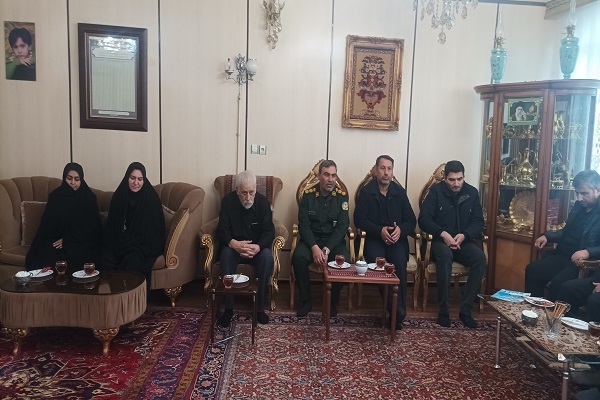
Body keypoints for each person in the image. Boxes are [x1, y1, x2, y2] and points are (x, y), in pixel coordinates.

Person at [418, 160, 486, 328]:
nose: (456, 183)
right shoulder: (435, 191)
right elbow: (424, 220)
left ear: (464, 177)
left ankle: (466, 310)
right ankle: (443, 311)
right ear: (445, 179)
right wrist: (443, 234)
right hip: (439, 241)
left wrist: (464, 235)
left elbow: (478, 222)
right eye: (452, 180)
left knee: (479, 258)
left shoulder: (472, 193)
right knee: (445, 255)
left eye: (459, 179)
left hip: (463, 241)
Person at [354, 155, 416, 329]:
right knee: (380, 265)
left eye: (389, 168)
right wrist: (379, 230)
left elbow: (411, 220)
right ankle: (395, 310)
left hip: (396, 240)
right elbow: (359, 220)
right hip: (374, 239)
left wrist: (400, 230)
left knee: (399, 264)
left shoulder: (399, 192)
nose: (386, 172)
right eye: (382, 168)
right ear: (376, 170)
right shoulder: (366, 192)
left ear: (392, 171)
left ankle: (398, 310)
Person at [524, 170, 600, 300]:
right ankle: (533, 309)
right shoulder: (578, 206)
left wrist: (588, 252)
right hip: (563, 255)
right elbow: (566, 231)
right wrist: (547, 236)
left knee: (558, 284)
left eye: (584, 193)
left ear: (598, 190)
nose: (579, 198)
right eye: (577, 193)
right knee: (533, 270)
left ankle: (552, 313)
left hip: (581, 263)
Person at [216, 170, 275, 327]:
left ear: (256, 189)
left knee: (267, 257)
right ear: (237, 190)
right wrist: (233, 243)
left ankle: (259, 308)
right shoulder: (227, 202)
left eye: (251, 192)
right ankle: (228, 308)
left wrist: (258, 246)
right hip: (234, 248)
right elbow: (221, 229)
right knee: (226, 254)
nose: (248, 197)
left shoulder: (263, 203)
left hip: (256, 250)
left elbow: (269, 231)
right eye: (244, 193)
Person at [292, 160, 349, 317]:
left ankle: (332, 301)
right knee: (298, 257)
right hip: (311, 241)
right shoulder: (308, 196)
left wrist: (326, 249)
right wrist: (314, 247)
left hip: (333, 243)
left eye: (333, 175)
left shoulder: (342, 197)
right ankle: (306, 300)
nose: (330, 179)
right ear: (319, 176)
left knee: (344, 260)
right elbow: (304, 225)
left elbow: (342, 227)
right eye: (326, 175)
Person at [26, 163, 102, 273]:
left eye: (77, 179)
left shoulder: (89, 198)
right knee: (46, 251)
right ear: (64, 177)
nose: (73, 182)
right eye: (69, 178)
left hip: (80, 241)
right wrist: (61, 239)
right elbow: (47, 226)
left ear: (81, 180)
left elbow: (92, 229)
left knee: (78, 253)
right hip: (57, 240)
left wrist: (68, 239)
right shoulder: (56, 196)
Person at [102, 162, 165, 289]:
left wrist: (131, 242)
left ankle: (131, 298)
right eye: (132, 178)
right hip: (120, 242)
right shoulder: (119, 197)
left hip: (142, 245)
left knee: (132, 259)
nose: (136, 182)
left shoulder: (151, 199)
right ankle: (112, 297)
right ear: (127, 178)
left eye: (140, 179)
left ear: (144, 180)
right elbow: (112, 229)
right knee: (105, 258)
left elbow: (154, 232)